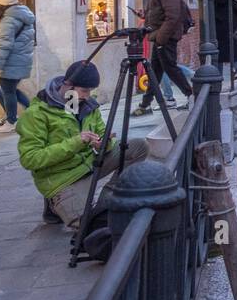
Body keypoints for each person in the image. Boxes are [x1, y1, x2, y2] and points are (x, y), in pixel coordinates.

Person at [18, 61, 149, 228]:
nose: (87, 96)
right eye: (84, 91)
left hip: (89, 165)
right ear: (68, 86)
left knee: (138, 147)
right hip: (62, 178)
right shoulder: (36, 114)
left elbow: (101, 134)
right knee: (89, 228)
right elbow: (30, 159)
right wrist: (76, 142)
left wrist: (104, 143)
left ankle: (108, 200)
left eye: (90, 91)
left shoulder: (88, 105)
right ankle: (55, 202)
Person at [144, 0, 194, 102]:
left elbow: (172, 15)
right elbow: (161, 10)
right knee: (156, 70)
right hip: (160, 35)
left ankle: (192, 95)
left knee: (170, 69)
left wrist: (161, 37)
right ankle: (145, 103)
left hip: (164, 36)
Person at [0, 0, 35, 133]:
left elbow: (4, 44)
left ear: (3, 5)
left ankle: (11, 121)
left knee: (8, 90)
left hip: (11, 60)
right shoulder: (23, 15)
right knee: (12, 89)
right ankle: (33, 113)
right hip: (21, 59)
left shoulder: (9, 20)